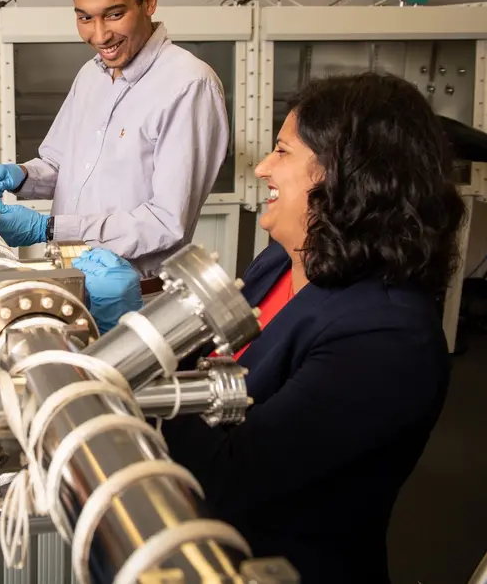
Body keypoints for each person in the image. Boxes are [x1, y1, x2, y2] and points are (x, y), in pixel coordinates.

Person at [74, 72, 465, 583]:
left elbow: (232, 479)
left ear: (341, 173)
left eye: (282, 151)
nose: (262, 168)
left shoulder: (388, 337)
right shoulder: (283, 263)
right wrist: (137, 339)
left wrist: (141, 365)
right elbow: (203, 361)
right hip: (190, 532)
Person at [0, 0, 230, 283]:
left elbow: (165, 221)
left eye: (114, 15)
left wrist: (48, 228)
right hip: (68, 274)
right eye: (84, 18)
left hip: (133, 292)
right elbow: (61, 164)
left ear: (149, 2)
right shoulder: (91, 75)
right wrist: (23, 175)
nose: (99, 36)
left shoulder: (189, 85)